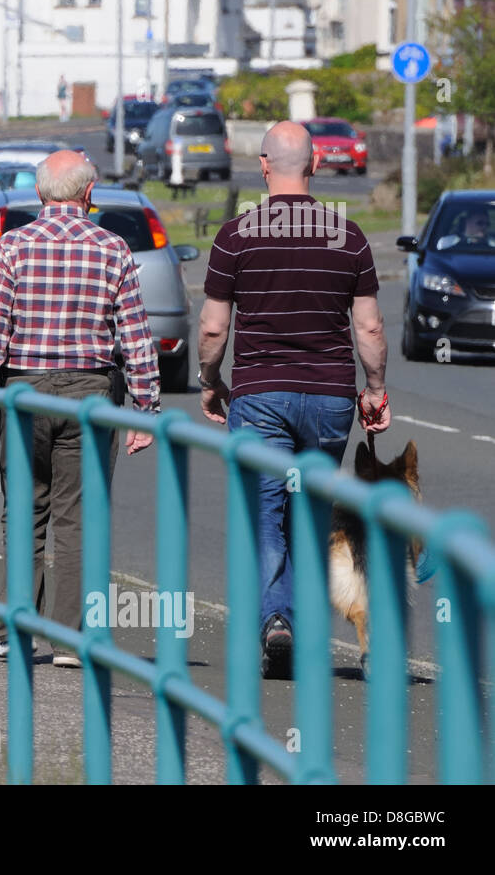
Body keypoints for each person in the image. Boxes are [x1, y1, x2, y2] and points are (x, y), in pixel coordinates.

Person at [197, 120, 390, 680]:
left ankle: (275, 621)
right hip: (329, 400)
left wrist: (211, 382)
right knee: (308, 517)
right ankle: (297, 629)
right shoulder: (347, 236)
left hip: (258, 398)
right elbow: (371, 328)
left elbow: (213, 329)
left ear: (262, 165)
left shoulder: (235, 236)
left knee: (264, 518)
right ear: (314, 166)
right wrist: (374, 391)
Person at [0, 151, 158, 667]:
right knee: (78, 516)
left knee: (24, 511)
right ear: (88, 194)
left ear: (39, 193)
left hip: (23, 388)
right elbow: (136, 339)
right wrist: (146, 408)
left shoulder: (13, 246)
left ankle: (18, 629)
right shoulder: (113, 248)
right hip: (90, 393)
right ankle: (70, 638)